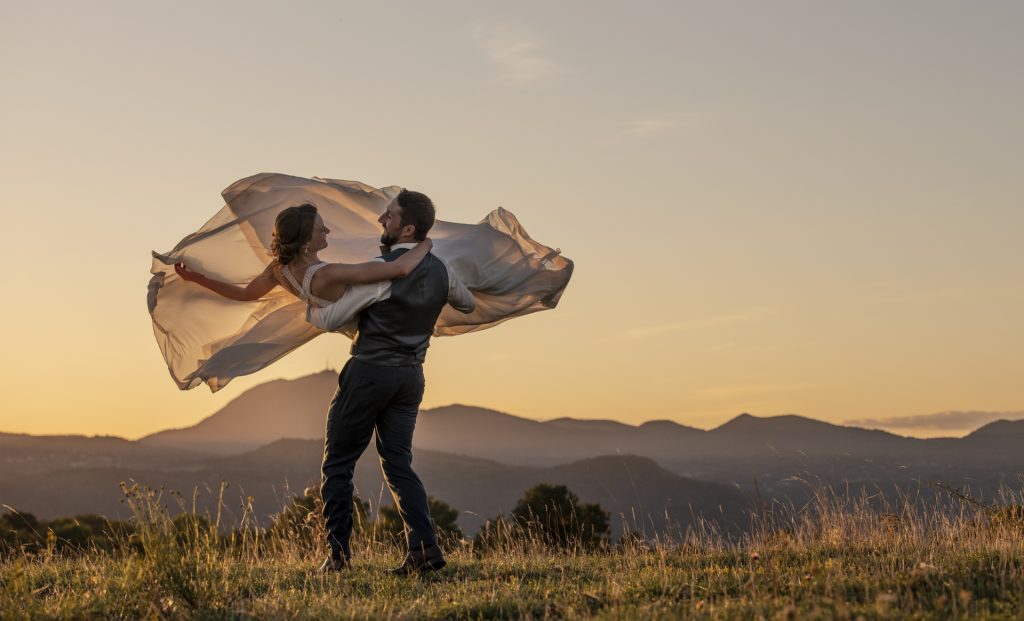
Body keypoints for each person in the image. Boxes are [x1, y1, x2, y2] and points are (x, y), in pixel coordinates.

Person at [308, 190, 475, 575]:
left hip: (368, 374)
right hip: (410, 378)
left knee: (338, 464)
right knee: (399, 463)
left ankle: (337, 558)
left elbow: (331, 320)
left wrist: (303, 304)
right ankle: (424, 548)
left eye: (389, 215)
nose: (382, 220)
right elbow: (466, 304)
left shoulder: (380, 272)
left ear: (407, 227)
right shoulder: (442, 270)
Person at [173, 203, 433, 307]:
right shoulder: (329, 274)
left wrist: (197, 278)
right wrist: (426, 244)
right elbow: (400, 269)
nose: (328, 230)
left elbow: (245, 294)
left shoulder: (278, 271)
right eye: (322, 229)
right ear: (306, 242)